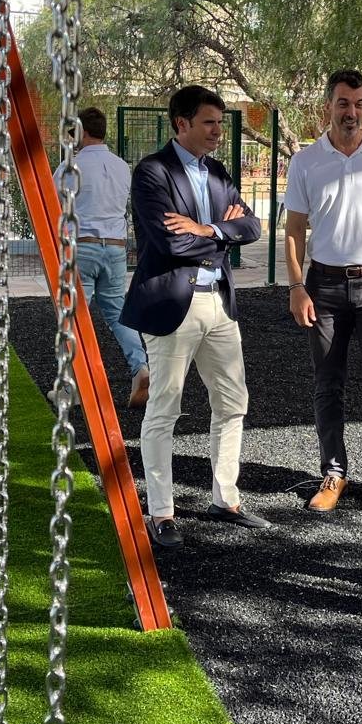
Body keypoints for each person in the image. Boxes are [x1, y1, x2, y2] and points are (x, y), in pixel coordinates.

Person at [121, 85, 268, 548]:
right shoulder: (152, 172)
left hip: (219, 304)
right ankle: (161, 512)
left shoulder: (218, 172)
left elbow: (252, 226)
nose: (218, 131)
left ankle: (226, 499)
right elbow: (170, 242)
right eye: (209, 122)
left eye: (220, 123)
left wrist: (207, 229)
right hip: (171, 306)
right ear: (181, 124)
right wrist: (223, 234)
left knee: (233, 402)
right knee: (165, 408)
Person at [284, 69, 362, 514]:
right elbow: (295, 230)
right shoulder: (305, 162)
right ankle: (334, 472)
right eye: (343, 103)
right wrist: (297, 286)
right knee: (327, 384)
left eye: (358, 104)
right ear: (328, 106)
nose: (351, 112)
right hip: (325, 287)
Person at [54, 105, 149, 406]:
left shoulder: (70, 167)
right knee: (118, 313)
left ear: (80, 133)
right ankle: (140, 367)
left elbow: (54, 205)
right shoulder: (122, 167)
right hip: (116, 247)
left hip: (82, 246)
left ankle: (70, 387)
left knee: (72, 316)